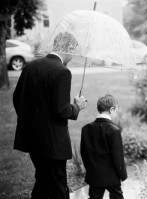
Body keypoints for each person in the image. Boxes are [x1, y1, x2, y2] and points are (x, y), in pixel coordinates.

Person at [13, 32, 87, 199]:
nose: (73, 56)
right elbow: (62, 110)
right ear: (67, 48)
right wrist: (77, 106)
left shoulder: (30, 66)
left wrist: (31, 121)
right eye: (73, 51)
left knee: (43, 182)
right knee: (58, 188)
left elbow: (17, 98)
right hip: (52, 144)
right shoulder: (62, 72)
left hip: (31, 140)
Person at [80, 94, 127, 199]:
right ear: (111, 109)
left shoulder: (86, 129)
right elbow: (118, 157)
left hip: (94, 176)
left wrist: (90, 170)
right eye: (116, 111)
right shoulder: (114, 130)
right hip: (112, 177)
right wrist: (123, 175)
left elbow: (84, 153)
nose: (116, 114)